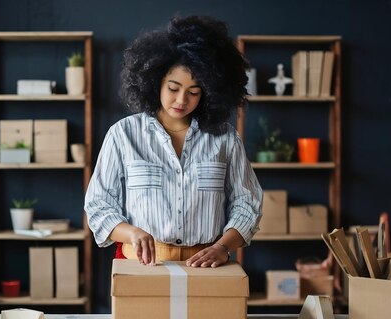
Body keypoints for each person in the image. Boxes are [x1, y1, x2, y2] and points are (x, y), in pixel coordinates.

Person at [84, 15, 262, 268]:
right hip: (141, 266)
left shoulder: (225, 138)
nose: (181, 100)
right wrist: (131, 233)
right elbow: (98, 205)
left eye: (194, 92)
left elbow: (248, 204)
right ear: (155, 81)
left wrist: (223, 247)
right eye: (173, 87)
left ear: (210, 92)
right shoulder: (123, 135)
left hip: (207, 267)